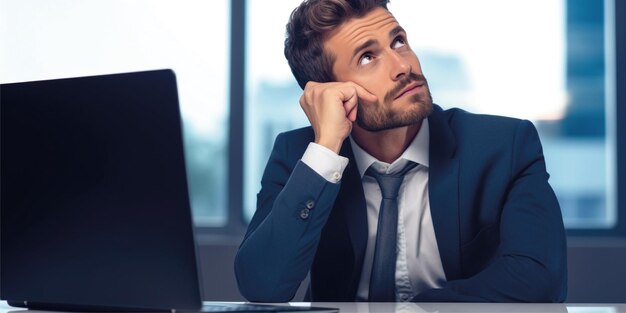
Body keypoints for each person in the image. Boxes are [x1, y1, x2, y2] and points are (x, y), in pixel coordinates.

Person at [235, 0, 567, 303]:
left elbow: (540, 278)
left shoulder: (504, 146)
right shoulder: (300, 157)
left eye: (398, 41)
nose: (402, 65)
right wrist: (326, 151)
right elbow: (262, 287)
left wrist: (417, 311)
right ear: (330, 90)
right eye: (367, 57)